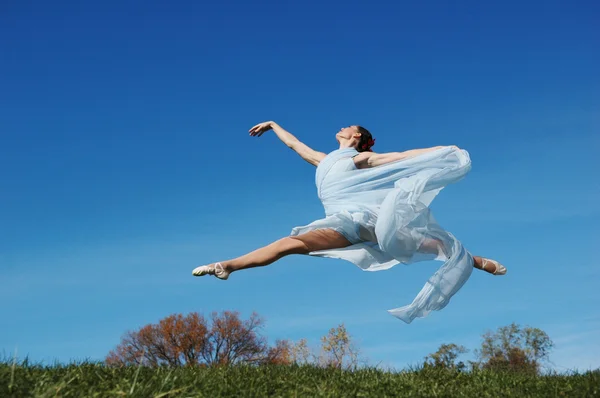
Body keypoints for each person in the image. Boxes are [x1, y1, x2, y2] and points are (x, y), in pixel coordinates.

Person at [193, 121, 506, 323]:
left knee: (430, 243)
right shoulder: (325, 158)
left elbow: (402, 154)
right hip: (345, 222)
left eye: (348, 126)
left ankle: (474, 260)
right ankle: (227, 266)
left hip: (359, 221)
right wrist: (274, 126)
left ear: (357, 137)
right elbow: (295, 146)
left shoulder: (360, 159)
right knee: (288, 245)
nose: (341, 127)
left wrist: (442, 151)